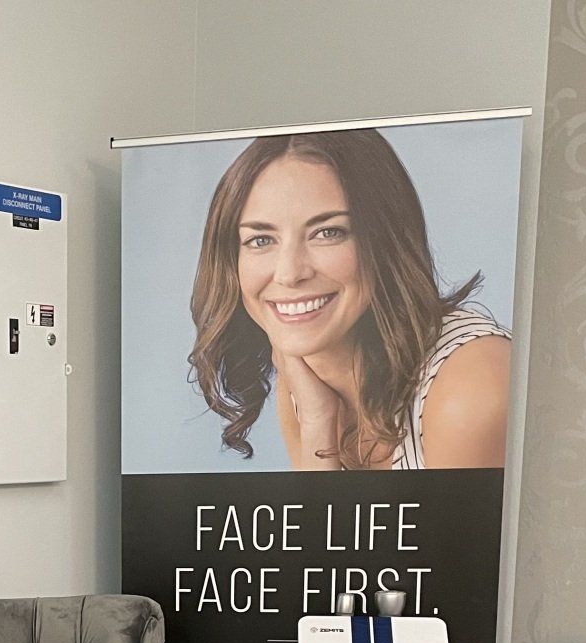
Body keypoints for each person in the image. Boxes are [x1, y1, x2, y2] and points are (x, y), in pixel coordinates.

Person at [188, 128, 510, 471]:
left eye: (328, 233)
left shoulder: (474, 387)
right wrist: (317, 424)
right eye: (261, 240)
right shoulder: (304, 379)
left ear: (385, 239)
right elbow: (320, 524)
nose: (289, 273)